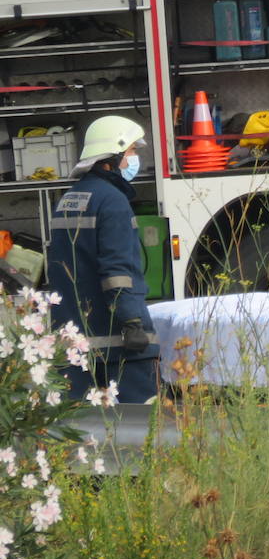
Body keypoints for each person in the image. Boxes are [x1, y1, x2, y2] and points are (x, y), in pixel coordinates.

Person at [46, 115, 159, 403]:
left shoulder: (69, 198)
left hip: (75, 338)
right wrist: (132, 321)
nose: (134, 159)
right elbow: (119, 270)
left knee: (79, 425)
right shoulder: (112, 200)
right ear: (113, 156)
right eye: (132, 151)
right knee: (141, 423)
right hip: (116, 339)